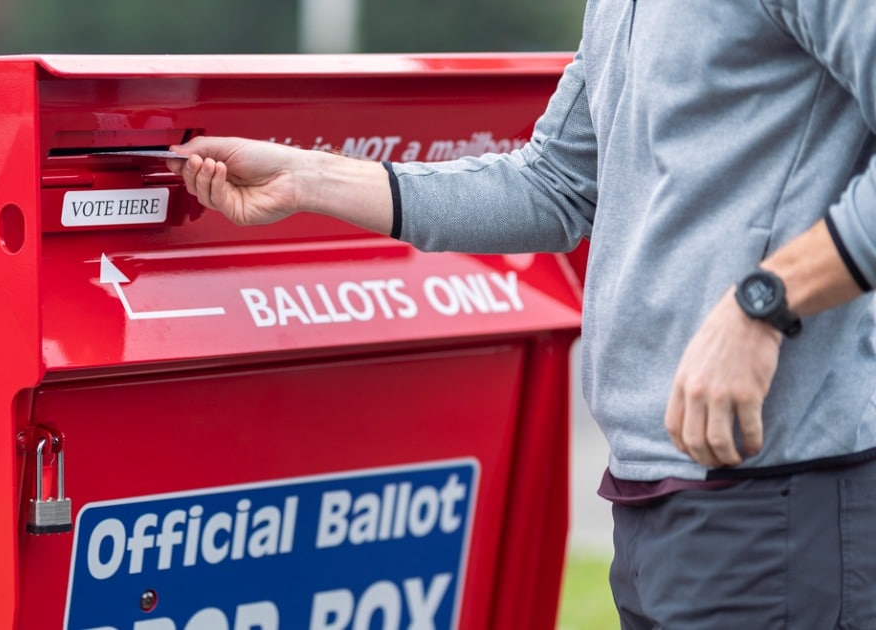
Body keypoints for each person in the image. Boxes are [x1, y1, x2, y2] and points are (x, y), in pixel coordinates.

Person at [167, 1, 876, 627]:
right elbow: (553, 183)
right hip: (657, 499)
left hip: (787, 497)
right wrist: (309, 177)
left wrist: (764, 302)